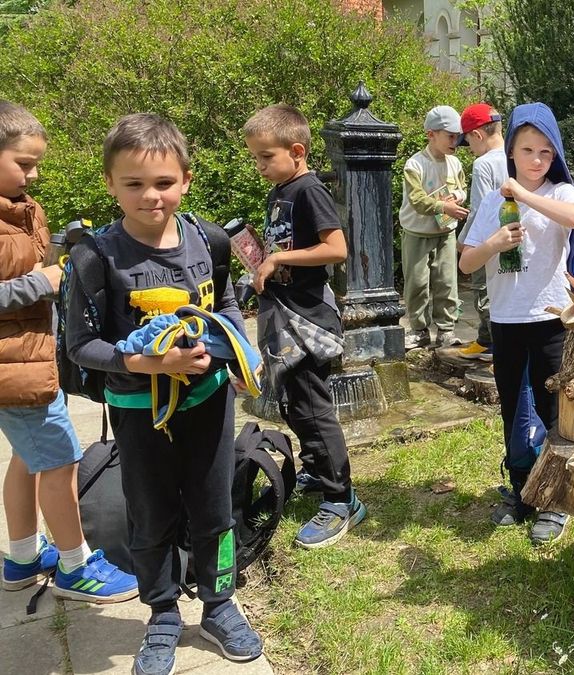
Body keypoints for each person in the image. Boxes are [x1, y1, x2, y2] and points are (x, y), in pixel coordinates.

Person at [65, 113, 262, 675]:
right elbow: (80, 346)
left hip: (210, 403)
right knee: (150, 517)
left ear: (186, 180)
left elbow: (224, 306)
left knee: (215, 509)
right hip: (137, 410)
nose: (151, 196)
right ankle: (163, 615)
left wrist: (231, 352)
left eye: (163, 183)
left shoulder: (208, 239)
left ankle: (220, 604)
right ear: (109, 183)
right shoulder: (96, 258)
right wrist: (149, 363)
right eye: (134, 184)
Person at [0, 101, 137, 603]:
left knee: (28, 457)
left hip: (29, 358)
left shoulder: (20, 205)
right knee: (60, 463)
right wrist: (43, 282)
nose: (33, 174)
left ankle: (21, 557)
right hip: (16, 367)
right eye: (23, 162)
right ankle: (77, 568)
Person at [460, 102, 574, 545]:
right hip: (506, 320)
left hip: (550, 319)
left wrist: (522, 193)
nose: (536, 160)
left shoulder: (559, 193)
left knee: (553, 409)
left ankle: (555, 499)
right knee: (514, 406)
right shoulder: (493, 202)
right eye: (527, 149)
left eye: (545, 153)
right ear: (510, 150)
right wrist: (494, 241)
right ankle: (522, 489)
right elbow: (465, 262)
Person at [242, 104, 365, 549]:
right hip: (285, 313)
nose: (259, 166)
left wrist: (278, 258)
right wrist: (261, 262)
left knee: (312, 406)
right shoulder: (281, 191)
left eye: (265, 157)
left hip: (308, 319)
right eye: (255, 157)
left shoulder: (309, 190)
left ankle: (342, 498)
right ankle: (317, 464)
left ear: (297, 151)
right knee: (294, 404)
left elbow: (336, 249)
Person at [399, 105, 469, 350]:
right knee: (417, 283)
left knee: (447, 282)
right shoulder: (415, 165)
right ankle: (418, 330)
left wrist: (458, 199)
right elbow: (417, 200)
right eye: (450, 136)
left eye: (458, 136)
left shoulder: (455, 163)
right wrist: (443, 207)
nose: (455, 141)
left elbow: (462, 187)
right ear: (431, 134)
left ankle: (446, 330)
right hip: (417, 233)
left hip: (446, 233)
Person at [455, 102, 507, 362]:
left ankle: (497, 346)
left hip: (485, 239)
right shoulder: (515, 155)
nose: (470, 149)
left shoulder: (483, 164)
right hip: (511, 235)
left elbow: (479, 208)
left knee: (483, 291)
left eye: (469, 142)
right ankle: (486, 339)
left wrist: (463, 241)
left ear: (477, 135)